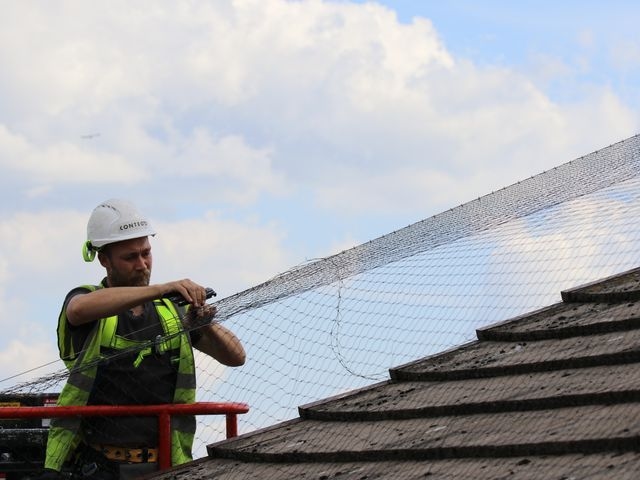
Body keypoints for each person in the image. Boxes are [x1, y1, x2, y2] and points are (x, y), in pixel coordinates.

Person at [41, 199, 246, 479]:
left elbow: (236, 357)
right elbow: (77, 309)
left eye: (146, 253)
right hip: (100, 467)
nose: (142, 265)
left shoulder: (171, 312)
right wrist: (163, 288)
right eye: (130, 257)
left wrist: (204, 326)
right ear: (103, 260)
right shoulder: (88, 300)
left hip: (167, 463)